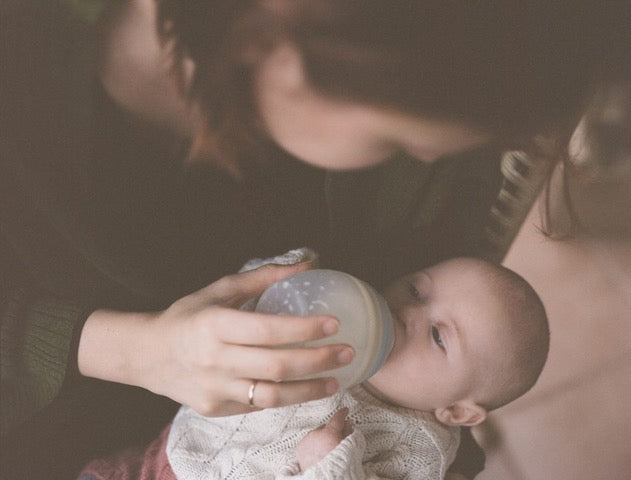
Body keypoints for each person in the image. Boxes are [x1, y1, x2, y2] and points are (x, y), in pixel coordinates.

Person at [1, 1, 628, 479]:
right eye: (398, 139)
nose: (431, 156)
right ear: (270, 43)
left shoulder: (453, 61)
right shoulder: (28, 69)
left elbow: (470, 338)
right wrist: (135, 351)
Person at [78, 255, 549, 479]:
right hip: (170, 457)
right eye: (416, 290)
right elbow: (255, 323)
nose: (406, 312)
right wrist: (279, 280)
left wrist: (326, 464)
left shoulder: (418, 451)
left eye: (438, 336)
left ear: (458, 413)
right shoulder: (339, 324)